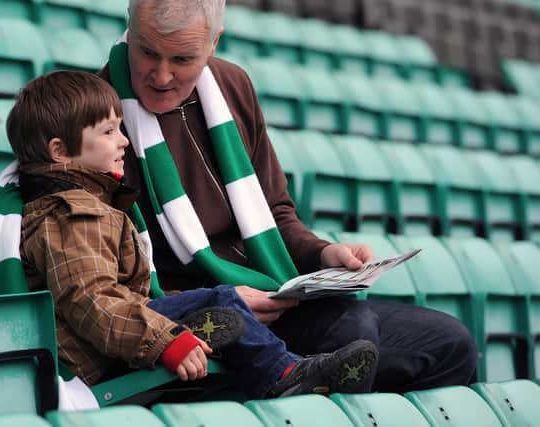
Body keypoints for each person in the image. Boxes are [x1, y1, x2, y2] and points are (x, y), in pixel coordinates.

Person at [95, 0, 478, 394]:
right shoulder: (93, 116)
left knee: (450, 344)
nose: (160, 75)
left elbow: (276, 212)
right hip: (201, 322)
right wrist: (215, 299)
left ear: (213, 46)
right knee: (353, 330)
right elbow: (104, 284)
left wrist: (324, 254)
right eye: (147, 52)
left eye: (181, 59)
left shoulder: (233, 86)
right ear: (130, 26)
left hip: (273, 296)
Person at [6, 70, 378, 399]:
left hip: (120, 333)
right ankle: (283, 373)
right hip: (102, 357)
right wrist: (165, 341)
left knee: (218, 303)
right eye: (108, 132)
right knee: (220, 300)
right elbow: (93, 305)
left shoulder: (91, 206)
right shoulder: (71, 216)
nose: (124, 141)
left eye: (121, 128)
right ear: (60, 152)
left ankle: (275, 361)